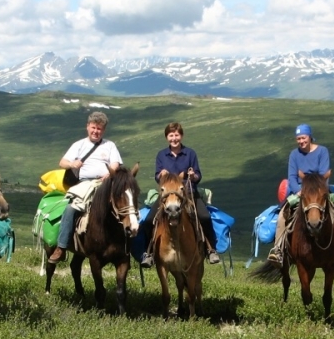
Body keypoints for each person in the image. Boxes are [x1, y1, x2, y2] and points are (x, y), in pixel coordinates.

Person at [267, 124, 334, 269]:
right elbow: (292, 177)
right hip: (300, 192)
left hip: (319, 191)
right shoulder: (294, 154)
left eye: (303, 138)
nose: (301, 141)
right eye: (298, 139)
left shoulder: (322, 151)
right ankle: (278, 251)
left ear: (310, 137)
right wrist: (298, 191)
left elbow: (323, 175)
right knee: (282, 217)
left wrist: (316, 190)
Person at [46, 111, 123, 264]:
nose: (96, 131)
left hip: (106, 183)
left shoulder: (110, 145)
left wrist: (110, 173)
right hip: (85, 184)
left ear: (104, 130)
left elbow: (115, 163)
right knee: (70, 209)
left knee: (125, 206)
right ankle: (61, 247)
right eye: (93, 127)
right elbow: (62, 162)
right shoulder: (79, 145)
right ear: (88, 127)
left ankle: (125, 245)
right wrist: (72, 164)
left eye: (99, 129)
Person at [140, 122, 221, 268]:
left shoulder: (190, 153)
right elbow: (157, 177)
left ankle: (211, 249)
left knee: (204, 217)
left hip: (188, 194)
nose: (174, 138)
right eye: (171, 135)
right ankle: (149, 252)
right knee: (148, 220)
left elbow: (198, 175)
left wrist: (193, 175)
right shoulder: (161, 155)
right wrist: (161, 175)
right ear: (167, 137)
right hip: (167, 196)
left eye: (176, 135)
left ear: (181, 136)